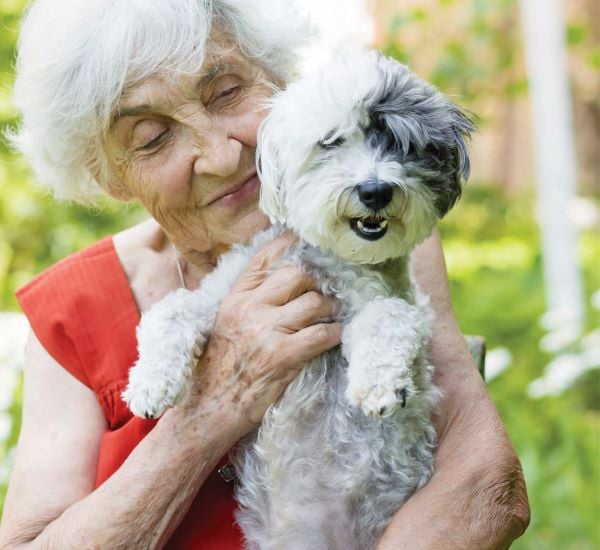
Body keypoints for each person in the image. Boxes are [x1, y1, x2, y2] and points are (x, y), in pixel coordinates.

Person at [0, 0, 529, 548]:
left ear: (278, 78)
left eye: (227, 92)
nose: (221, 156)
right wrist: (208, 414)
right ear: (108, 176)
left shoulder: (370, 228)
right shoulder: (71, 313)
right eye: (153, 136)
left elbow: (487, 486)